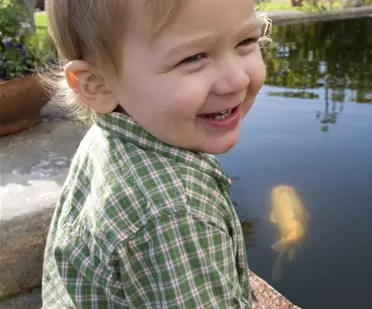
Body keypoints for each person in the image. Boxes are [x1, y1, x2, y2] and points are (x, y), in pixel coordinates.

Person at [40, 0, 271, 308]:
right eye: (193, 57)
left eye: (246, 41)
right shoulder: (175, 214)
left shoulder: (111, 133)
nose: (237, 79)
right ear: (98, 84)